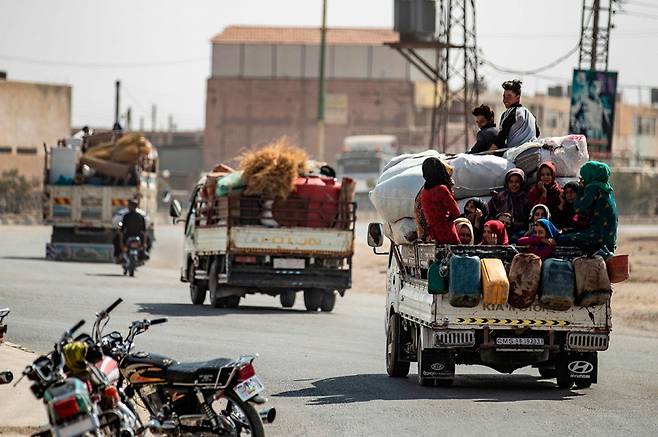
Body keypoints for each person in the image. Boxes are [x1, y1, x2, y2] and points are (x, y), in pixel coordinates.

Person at [558, 161, 618, 255]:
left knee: (562, 239)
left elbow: (578, 208)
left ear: (589, 175)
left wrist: (580, 189)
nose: (582, 179)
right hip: (609, 237)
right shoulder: (606, 188)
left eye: (583, 176)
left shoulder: (593, 188)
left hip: (598, 235)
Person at [419, 157, 461, 244]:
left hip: (433, 235)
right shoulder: (441, 189)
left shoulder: (424, 192)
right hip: (446, 233)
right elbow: (456, 212)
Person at [494, 80, 541, 150]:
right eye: (504, 96)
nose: (505, 100)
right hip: (532, 151)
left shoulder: (509, 113)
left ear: (518, 97)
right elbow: (537, 133)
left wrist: (489, 152)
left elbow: (501, 137)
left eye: (509, 96)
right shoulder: (530, 115)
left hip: (514, 154)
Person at [488, 168, 530, 237]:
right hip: (499, 230)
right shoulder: (499, 196)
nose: (514, 184)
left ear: (522, 183)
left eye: (517, 182)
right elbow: (488, 214)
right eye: (511, 182)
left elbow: (528, 221)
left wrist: (512, 222)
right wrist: (499, 218)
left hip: (518, 233)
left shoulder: (525, 199)